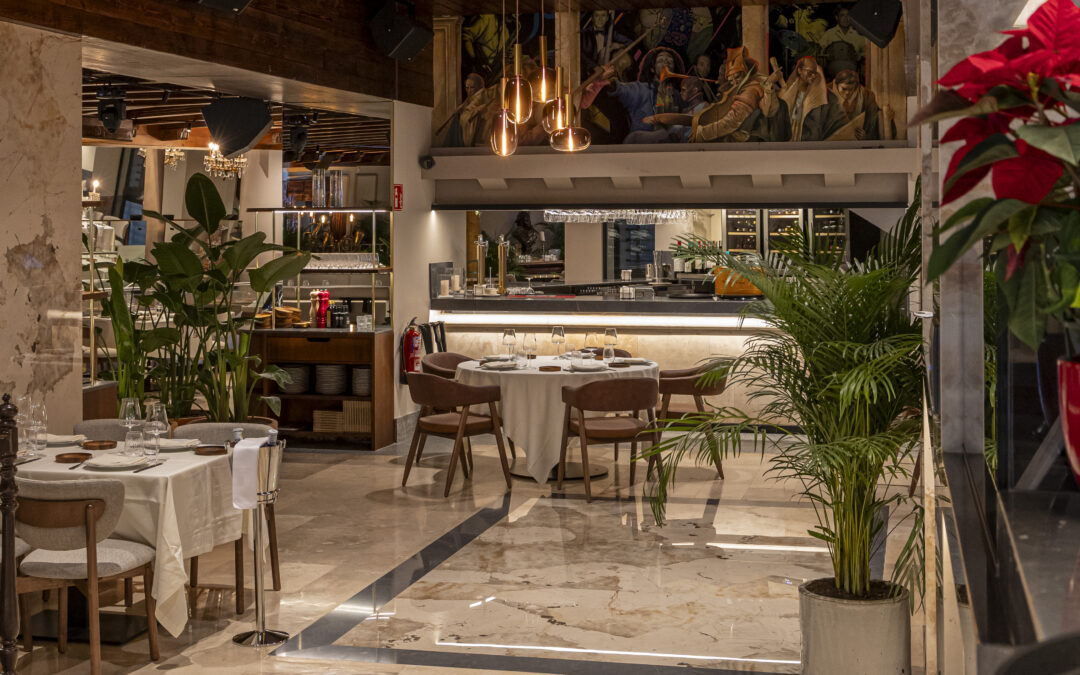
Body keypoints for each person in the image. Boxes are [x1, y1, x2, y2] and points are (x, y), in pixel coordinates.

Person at [595, 46, 685, 135]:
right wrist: (610, 82)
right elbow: (622, 90)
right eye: (661, 60)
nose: (666, 63)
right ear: (652, 69)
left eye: (670, 61)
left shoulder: (678, 96)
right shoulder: (641, 89)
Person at [689, 47, 766, 143]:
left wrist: (703, 132)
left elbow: (732, 121)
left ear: (745, 72)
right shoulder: (743, 86)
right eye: (731, 80)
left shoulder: (751, 89)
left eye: (737, 77)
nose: (734, 83)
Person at [764, 56, 847, 142]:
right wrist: (769, 82)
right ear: (800, 70)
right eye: (810, 72)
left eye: (815, 73)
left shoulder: (825, 97)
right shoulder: (787, 92)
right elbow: (770, 112)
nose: (813, 76)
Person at [626, 76, 709, 143]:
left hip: (674, 140)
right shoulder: (690, 108)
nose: (681, 93)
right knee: (634, 137)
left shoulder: (703, 106)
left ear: (694, 90)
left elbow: (688, 122)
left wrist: (660, 118)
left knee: (634, 138)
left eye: (684, 90)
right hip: (670, 137)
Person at [830, 69, 893, 140]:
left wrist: (866, 136)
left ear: (856, 87)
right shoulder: (826, 94)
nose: (847, 93)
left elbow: (872, 122)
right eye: (844, 89)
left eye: (851, 89)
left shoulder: (867, 96)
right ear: (836, 85)